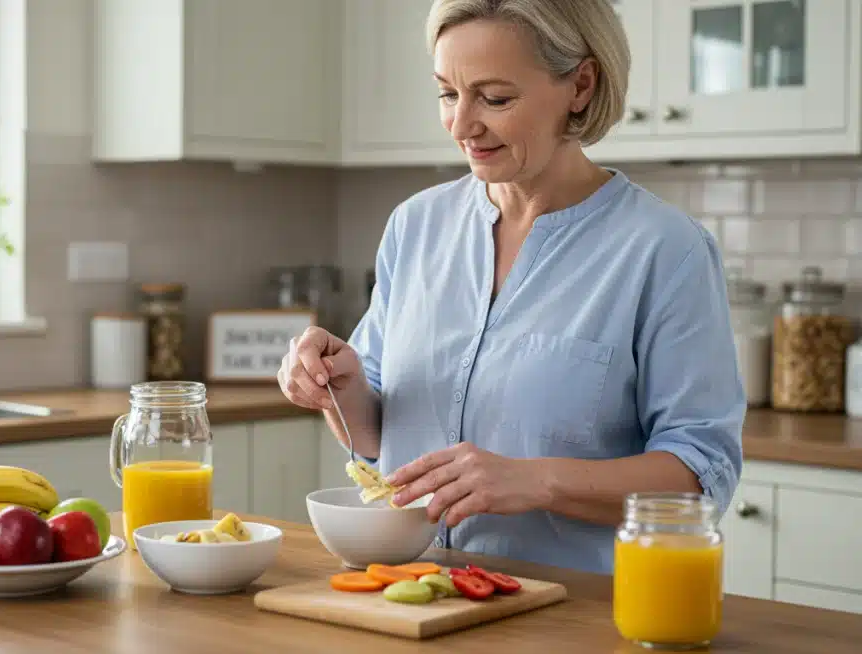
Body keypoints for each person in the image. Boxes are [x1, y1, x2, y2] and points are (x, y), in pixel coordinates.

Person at [276, 0, 744, 575]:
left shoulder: (665, 251)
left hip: (572, 614)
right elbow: (378, 437)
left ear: (581, 85)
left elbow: (701, 474)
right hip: (410, 594)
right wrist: (340, 390)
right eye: (448, 93)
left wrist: (537, 481)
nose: (461, 124)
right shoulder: (415, 226)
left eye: (495, 98)